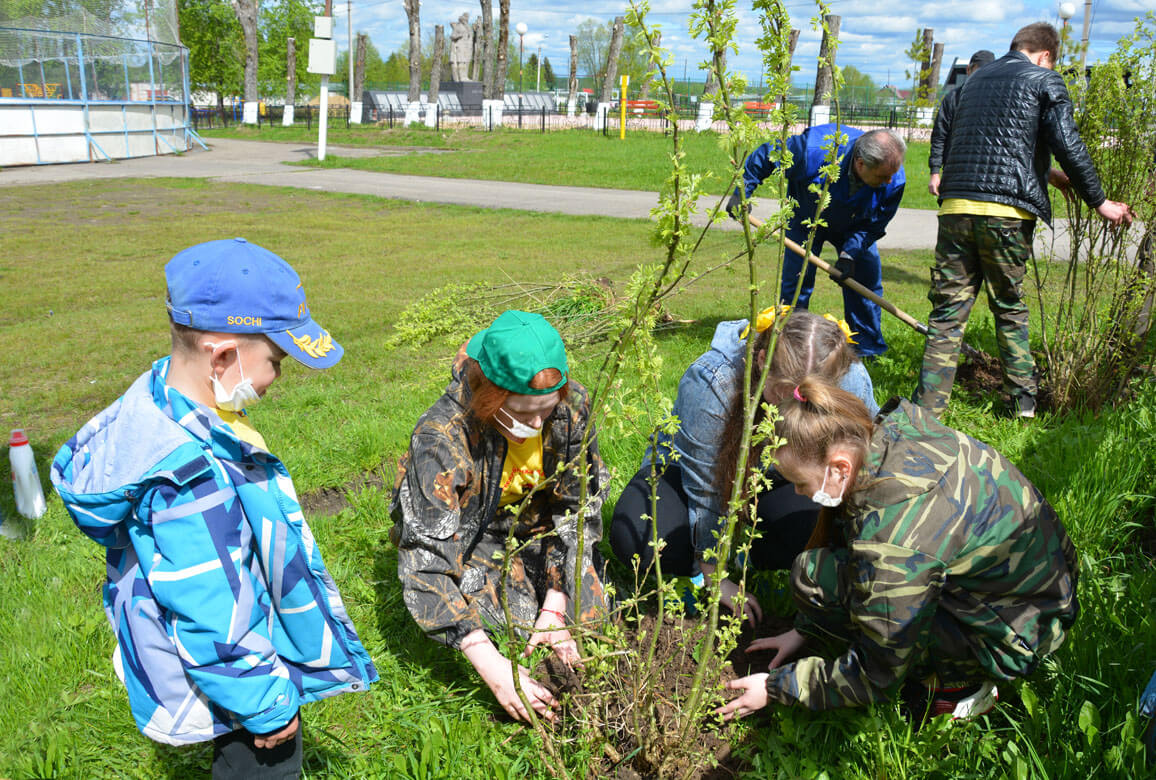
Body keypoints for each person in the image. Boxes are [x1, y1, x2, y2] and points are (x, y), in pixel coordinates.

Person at [50, 238, 377, 777]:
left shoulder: (169, 395)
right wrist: (265, 707)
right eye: (276, 361)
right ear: (222, 356)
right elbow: (212, 605)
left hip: (223, 659)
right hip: (235, 678)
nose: (278, 378)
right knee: (262, 765)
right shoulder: (190, 477)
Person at [718, 375, 1079, 720]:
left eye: (799, 482)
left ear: (840, 468)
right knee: (815, 574)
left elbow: (875, 676)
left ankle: (957, 690)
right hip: (1038, 592)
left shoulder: (895, 537)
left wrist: (776, 686)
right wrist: (805, 630)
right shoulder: (893, 436)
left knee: (817, 581)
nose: (798, 493)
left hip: (1014, 638)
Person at [391, 310, 607, 724]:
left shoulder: (571, 408)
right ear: (491, 396)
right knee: (520, 626)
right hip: (474, 538)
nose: (539, 423)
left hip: (537, 528)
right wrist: (494, 670)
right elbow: (426, 563)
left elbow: (577, 509)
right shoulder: (441, 437)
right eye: (525, 415)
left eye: (546, 411)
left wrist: (557, 602)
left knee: (591, 617)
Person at [913, 22, 1133, 419]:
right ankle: (1023, 405)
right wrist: (1099, 202)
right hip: (1006, 215)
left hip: (956, 208)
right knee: (1009, 309)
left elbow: (992, 144)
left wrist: (1047, 174)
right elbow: (1067, 142)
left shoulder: (971, 85)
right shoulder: (1044, 80)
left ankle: (926, 413)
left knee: (946, 314)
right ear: (1046, 55)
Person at [608, 308, 878, 622]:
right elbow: (705, 486)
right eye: (782, 393)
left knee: (812, 525)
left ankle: (748, 557)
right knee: (642, 537)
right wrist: (714, 574)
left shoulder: (848, 376)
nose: (791, 411)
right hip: (690, 476)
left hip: (780, 478)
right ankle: (691, 573)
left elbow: (868, 462)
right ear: (762, 361)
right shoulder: (715, 381)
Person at [727, 125, 907, 358]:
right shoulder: (813, 150)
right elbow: (768, 155)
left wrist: (849, 254)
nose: (889, 181)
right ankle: (791, 343)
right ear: (861, 164)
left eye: (892, 174)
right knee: (797, 281)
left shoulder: (893, 179)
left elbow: (873, 225)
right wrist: (742, 190)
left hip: (856, 223)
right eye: (883, 176)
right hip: (806, 216)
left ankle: (866, 349)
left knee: (865, 279)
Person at [928, 49, 995, 197]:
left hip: (987, 178)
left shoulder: (997, 101)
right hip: (954, 175)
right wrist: (935, 172)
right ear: (969, 70)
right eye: (978, 71)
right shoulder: (953, 99)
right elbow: (939, 137)